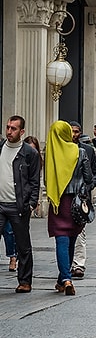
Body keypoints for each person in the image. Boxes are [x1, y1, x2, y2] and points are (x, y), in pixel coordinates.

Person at [45, 121, 93, 296]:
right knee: (72, 238)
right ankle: (64, 278)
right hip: (76, 203)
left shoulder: (51, 153)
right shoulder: (80, 152)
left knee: (61, 240)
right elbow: (88, 177)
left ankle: (64, 278)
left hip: (58, 202)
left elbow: (46, 179)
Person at [0, 115, 41, 293]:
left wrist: (31, 203)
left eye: (13, 128)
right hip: (0, 205)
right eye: (8, 127)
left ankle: (25, 281)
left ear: (22, 132)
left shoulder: (30, 153)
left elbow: (34, 181)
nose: (9, 131)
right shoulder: (0, 147)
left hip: (19, 206)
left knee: (23, 245)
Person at [69, 123, 96, 279]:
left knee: (80, 231)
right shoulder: (60, 150)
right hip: (66, 195)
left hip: (82, 196)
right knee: (65, 232)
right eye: (71, 131)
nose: (74, 134)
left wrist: (88, 186)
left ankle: (79, 264)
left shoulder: (87, 150)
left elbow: (95, 172)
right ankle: (67, 262)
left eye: (76, 132)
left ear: (80, 133)